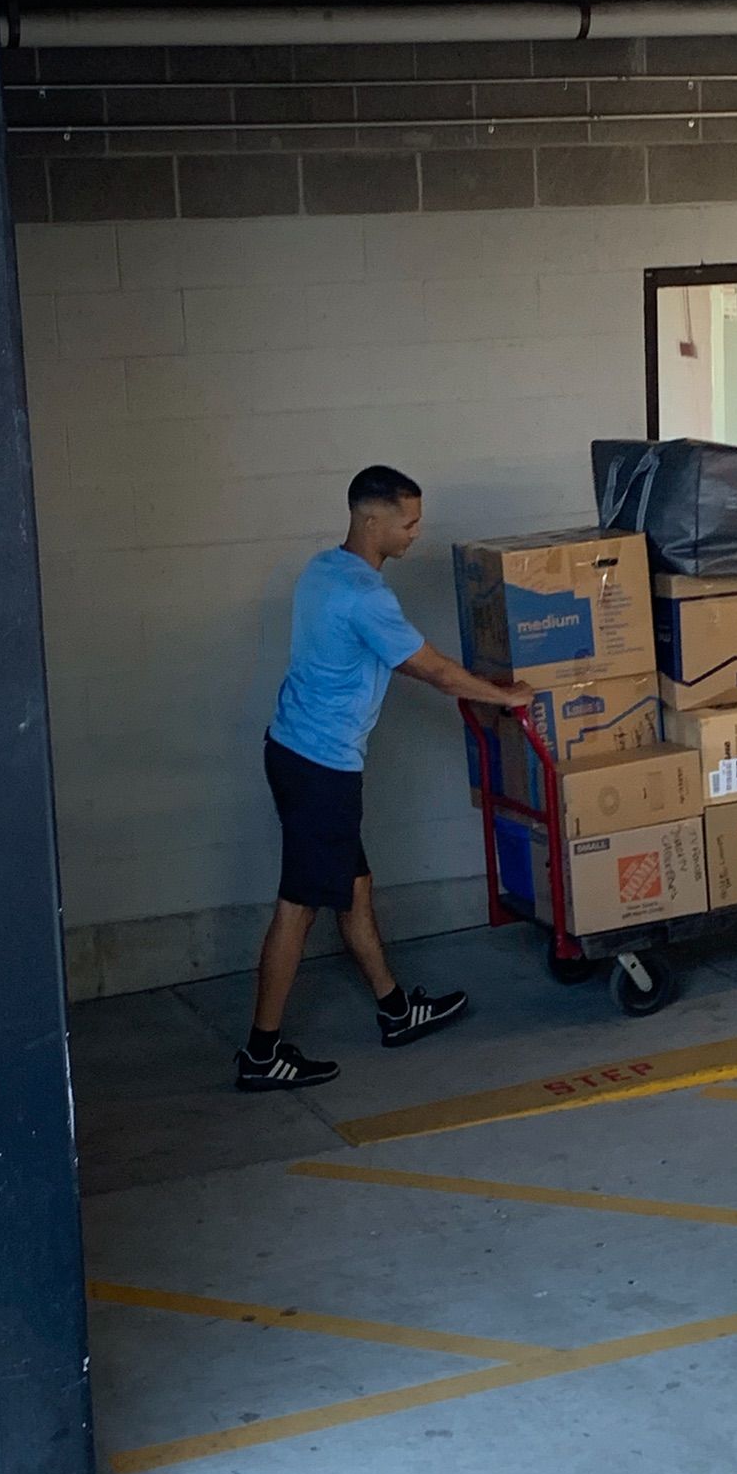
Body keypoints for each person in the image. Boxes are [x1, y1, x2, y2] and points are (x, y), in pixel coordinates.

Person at [237, 465, 531, 1093]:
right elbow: (434, 671)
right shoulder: (365, 596)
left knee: (355, 888)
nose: (416, 533)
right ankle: (261, 1053)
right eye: (409, 521)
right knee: (297, 909)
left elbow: (378, 659)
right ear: (372, 519)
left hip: (292, 751)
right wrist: (505, 698)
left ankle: (396, 1010)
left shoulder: (323, 569)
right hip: (321, 767)